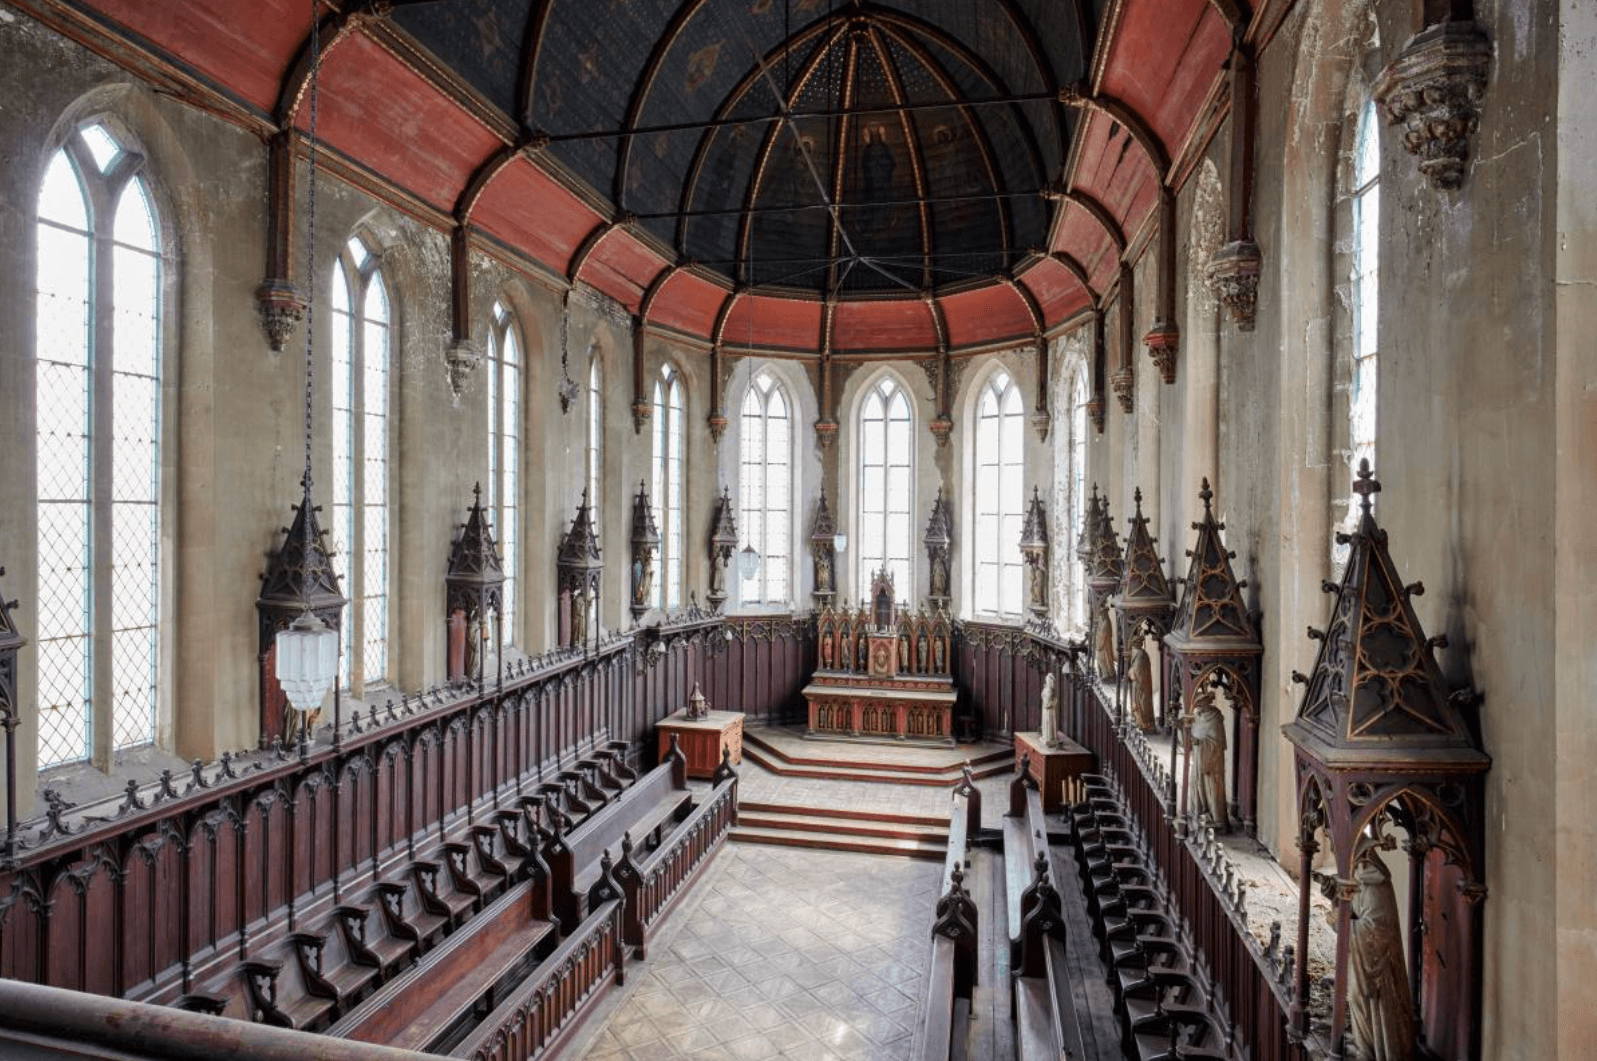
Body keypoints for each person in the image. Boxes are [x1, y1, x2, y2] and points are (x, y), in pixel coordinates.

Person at [1348, 851, 1417, 1061]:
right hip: (1362, 959)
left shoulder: (1376, 886)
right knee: (1356, 998)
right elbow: (1354, 910)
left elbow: (1378, 930)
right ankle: (1364, 1049)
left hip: (1379, 967)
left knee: (1370, 1004)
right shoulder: (1360, 883)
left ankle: (1373, 1052)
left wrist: (1344, 926)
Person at [1188, 678, 1229, 832]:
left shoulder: (1215, 718)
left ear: (1207, 702)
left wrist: (1200, 742)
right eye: (1197, 704)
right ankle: (1200, 812)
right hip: (1198, 757)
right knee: (1197, 783)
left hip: (1212, 761)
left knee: (1212, 787)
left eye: (1200, 703)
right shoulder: (1197, 716)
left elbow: (1218, 743)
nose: (1198, 706)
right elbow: (1193, 732)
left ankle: (1217, 819)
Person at [1127, 625, 1155, 731]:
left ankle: (1144, 723)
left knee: (1141, 704)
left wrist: (1131, 673)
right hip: (1138, 685)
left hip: (1141, 686)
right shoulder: (1138, 653)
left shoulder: (1140, 655)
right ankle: (1140, 722)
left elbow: (1137, 673)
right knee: (1137, 704)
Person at [1039, 672, 1058, 747]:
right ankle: (1047, 737)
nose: (1052, 684)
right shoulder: (1047, 690)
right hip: (1047, 711)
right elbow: (1046, 702)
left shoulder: (1050, 690)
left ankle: (1049, 737)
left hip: (1049, 710)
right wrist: (1052, 702)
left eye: (1053, 682)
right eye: (1051, 682)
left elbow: (1054, 698)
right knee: (1047, 723)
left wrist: (1053, 702)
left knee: (1049, 724)